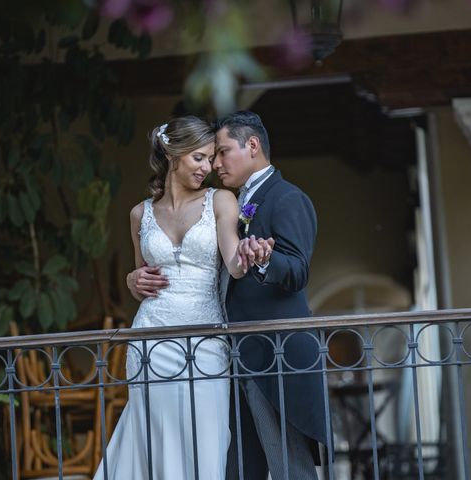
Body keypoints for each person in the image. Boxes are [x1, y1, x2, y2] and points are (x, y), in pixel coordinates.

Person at [129, 111, 327, 479]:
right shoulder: (235, 200)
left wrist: (264, 259)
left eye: (221, 153)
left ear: (252, 145)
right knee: (235, 465)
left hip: (272, 355)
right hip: (230, 353)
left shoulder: (287, 198)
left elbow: (297, 270)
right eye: (206, 156)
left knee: (286, 465)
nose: (216, 164)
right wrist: (132, 279)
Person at [93, 116, 272, 480]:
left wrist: (253, 254)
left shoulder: (221, 200)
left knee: (206, 442)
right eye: (199, 159)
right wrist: (132, 279)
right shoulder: (138, 214)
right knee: (158, 441)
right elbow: (140, 276)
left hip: (205, 339)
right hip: (150, 341)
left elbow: (234, 266)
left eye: (211, 159)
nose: (209, 168)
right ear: (174, 155)